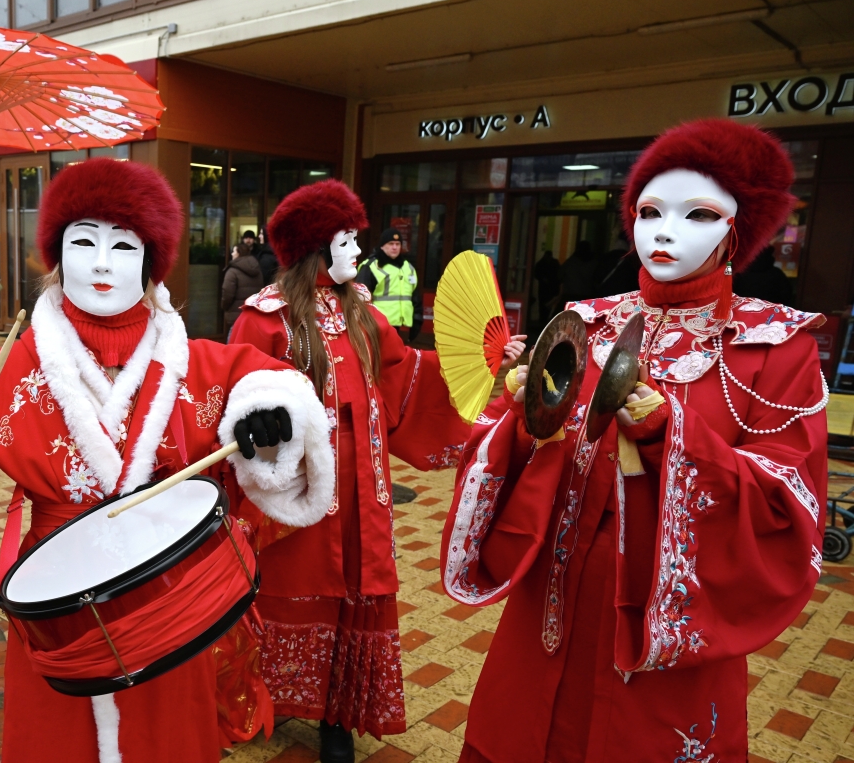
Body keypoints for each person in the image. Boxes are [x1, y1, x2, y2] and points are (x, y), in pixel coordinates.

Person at [0, 157, 335, 763]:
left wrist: (268, 416)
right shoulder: (25, 361)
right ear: (58, 255)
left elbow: (266, 382)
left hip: (167, 591)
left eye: (124, 245)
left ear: (152, 259)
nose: (103, 262)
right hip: (57, 596)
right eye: (83, 242)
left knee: (167, 736)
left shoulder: (191, 360)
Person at [441, 119, 828, 763]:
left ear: (738, 230)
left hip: (668, 607)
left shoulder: (775, 347)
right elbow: (518, 450)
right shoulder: (586, 323)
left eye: (698, 213)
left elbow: (788, 502)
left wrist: (670, 437)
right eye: (649, 212)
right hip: (556, 590)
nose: (664, 231)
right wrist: (525, 419)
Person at [230, 180, 524, 763]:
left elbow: (405, 373)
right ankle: (267, 693)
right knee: (290, 579)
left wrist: (482, 361)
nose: (357, 251)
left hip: (365, 482)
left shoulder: (360, 312)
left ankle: (336, 713)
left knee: (356, 582)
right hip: (297, 487)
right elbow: (236, 396)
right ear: (314, 248)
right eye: (346, 240)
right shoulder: (265, 319)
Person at [354, 227, 423, 344]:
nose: (395, 247)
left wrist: (417, 321)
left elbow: (415, 298)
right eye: (391, 244)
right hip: (378, 326)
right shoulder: (371, 266)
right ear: (382, 246)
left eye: (398, 244)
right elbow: (360, 299)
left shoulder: (408, 267)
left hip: (402, 327)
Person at [222, 242, 263, 338]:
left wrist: (224, 307)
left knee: (233, 342)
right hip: (253, 315)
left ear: (239, 253)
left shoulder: (232, 271)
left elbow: (227, 293)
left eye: (234, 251)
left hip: (236, 315)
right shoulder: (257, 270)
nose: (232, 254)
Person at [559, 238, 595, 303]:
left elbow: (560, 275)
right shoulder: (594, 264)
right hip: (586, 295)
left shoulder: (570, 262)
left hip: (570, 294)